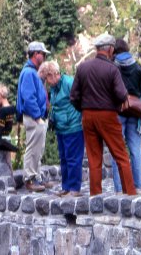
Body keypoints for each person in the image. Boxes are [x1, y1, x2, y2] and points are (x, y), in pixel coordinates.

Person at [70, 33, 137, 196]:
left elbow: (73, 96)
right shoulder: (112, 69)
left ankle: (95, 196)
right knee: (121, 154)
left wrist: (84, 110)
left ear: (98, 49)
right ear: (110, 49)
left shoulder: (82, 67)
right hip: (107, 115)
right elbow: (122, 95)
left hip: (87, 116)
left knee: (94, 158)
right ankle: (130, 192)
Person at [39, 61, 84, 197]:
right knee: (63, 158)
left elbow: (81, 99)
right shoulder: (53, 87)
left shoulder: (69, 82)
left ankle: (74, 189)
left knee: (73, 159)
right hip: (60, 128)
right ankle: (66, 187)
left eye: (46, 78)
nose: (46, 81)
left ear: (53, 75)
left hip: (73, 126)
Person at [110, 39, 141, 194]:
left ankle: (119, 188)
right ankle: (138, 185)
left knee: (117, 151)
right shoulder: (137, 66)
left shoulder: (112, 67)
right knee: (135, 150)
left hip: (118, 111)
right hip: (135, 111)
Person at [16, 41, 52, 192]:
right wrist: (38, 116)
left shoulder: (31, 72)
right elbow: (29, 97)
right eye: (42, 54)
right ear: (36, 54)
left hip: (36, 116)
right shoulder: (29, 73)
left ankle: (36, 176)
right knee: (33, 147)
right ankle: (29, 179)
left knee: (38, 147)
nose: (44, 56)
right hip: (33, 117)